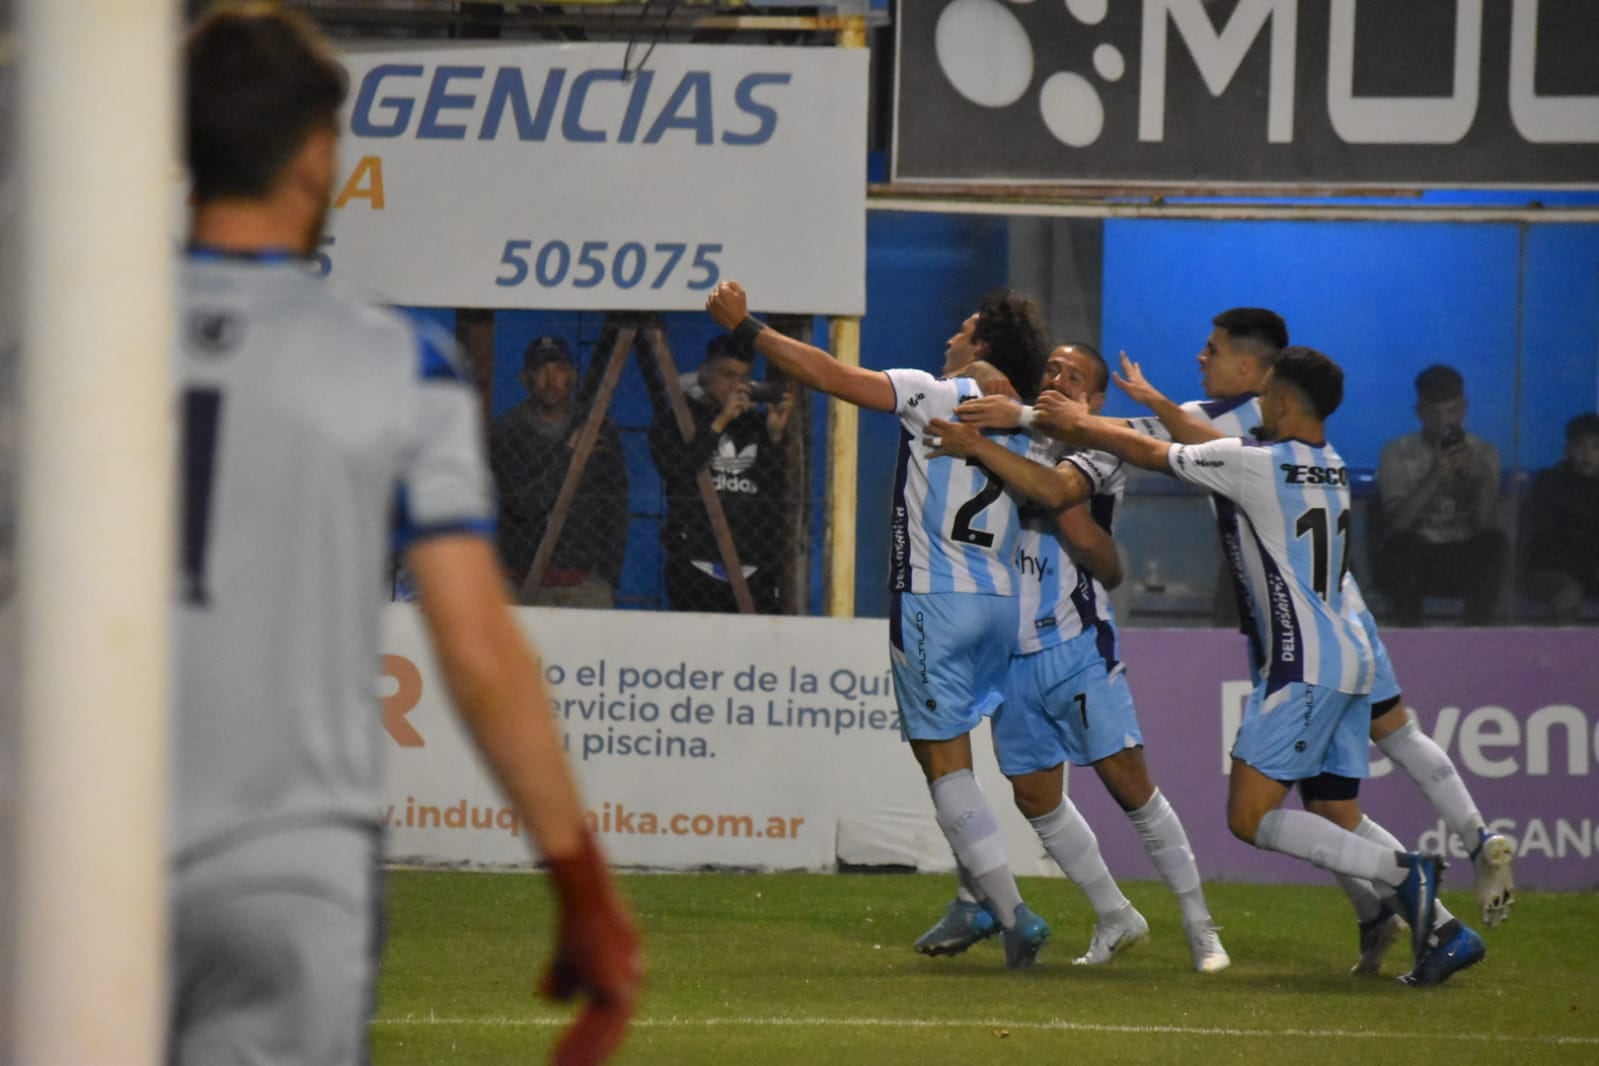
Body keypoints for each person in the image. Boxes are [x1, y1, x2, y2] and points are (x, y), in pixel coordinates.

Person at [173, 8, 641, 1065]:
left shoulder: (63, 340)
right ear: (317, 153)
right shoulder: (395, 360)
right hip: (288, 860)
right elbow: (476, 647)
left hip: (76, 842)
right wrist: (583, 888)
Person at [971, 347, 1474, 983]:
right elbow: (1194, 439)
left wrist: (1016, 414)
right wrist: (1154, 403)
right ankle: (1442, 929)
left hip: (1304, 665)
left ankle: (1402, 873)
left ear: (1283, 401)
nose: (1259, 401)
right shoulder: (1330, 464)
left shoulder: (1257, 467)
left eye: (1267, 391)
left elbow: (1151, 454)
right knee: (1330, 808)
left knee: (1249, 816)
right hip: (1352, 657)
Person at [1091, 308, 1514, 946]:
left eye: (1213, 349)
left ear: (1257, 371)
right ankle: (1446, 879)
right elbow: (1183, 426)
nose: (1201, 357)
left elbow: (1159, 442)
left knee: (1270, 810)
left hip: (1301, 638)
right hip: (1347, 620)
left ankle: (1407, 885)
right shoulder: (1322, 448)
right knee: (1356, 778)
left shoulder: (1255, 434)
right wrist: (1154, 402)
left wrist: (1047, 418)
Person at [706, 279, 1055, 968]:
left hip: (935, 599)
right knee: (959, 760)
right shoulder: (1027, 421)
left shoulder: (935, 392)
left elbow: (830, 374)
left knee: (942, 765)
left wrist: (747, 329)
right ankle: (972, 894)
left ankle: (1012, 914)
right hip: (1000, 601)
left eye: (961, 328)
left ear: (979, 344)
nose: (949, 337)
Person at [915, 344, 1229, 974]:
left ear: (1095, 398)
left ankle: (1201, 926)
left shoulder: (1098, 447)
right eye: (1052, 370)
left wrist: (980, 445)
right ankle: (1115, 915)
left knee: (1131, 787)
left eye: (1074, 375)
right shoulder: (1015, 432)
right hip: (1009, 650)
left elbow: (1059, 491)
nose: (1058, 379)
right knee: (1035, 796)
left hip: (1074, 642)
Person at [648, 333, 795, 613]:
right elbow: (677, 471)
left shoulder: (755, 424)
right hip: (695, 567)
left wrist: (775, 436)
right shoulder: (677, 419)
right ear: (705, 372)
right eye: (728, 375)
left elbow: (775, 490)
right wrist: (721, 421)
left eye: (744, 377)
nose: (736, 386)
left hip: (753, 568)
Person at [489, 334, 629, 609]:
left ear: (573, 376)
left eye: (559, 369)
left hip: (584, 582)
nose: (551, 379)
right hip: (521, 579)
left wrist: (609, 575)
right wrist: (570, 454)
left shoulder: (598, 426)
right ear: (525, 379)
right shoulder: (507, 431)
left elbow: (617, 502)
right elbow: (523, 503)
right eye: (541, 370)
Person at [1376, 364, 1507, 626]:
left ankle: (1475, 634)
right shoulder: (1397, 452)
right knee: (1401, 548)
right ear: (1420, 413)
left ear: (1464, 408)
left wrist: (1482, 479)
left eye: (1453, 411)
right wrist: (1436, 475)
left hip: (1461, 555)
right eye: (1434, 413)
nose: (1445, 421)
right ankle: (1410, 634)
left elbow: (1485, 526)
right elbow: (1398, 525)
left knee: (1495, 544)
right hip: (1418, 555)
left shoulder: (1484, 452)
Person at [1521, 413, 1599, 623]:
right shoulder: (1551, 482)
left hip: (1591, 569)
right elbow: (1547, 540)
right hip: (1552, 569)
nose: (1587, 454)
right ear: (1567, 449)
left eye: (1595, 446)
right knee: (1567, 593)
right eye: (1579, 446)